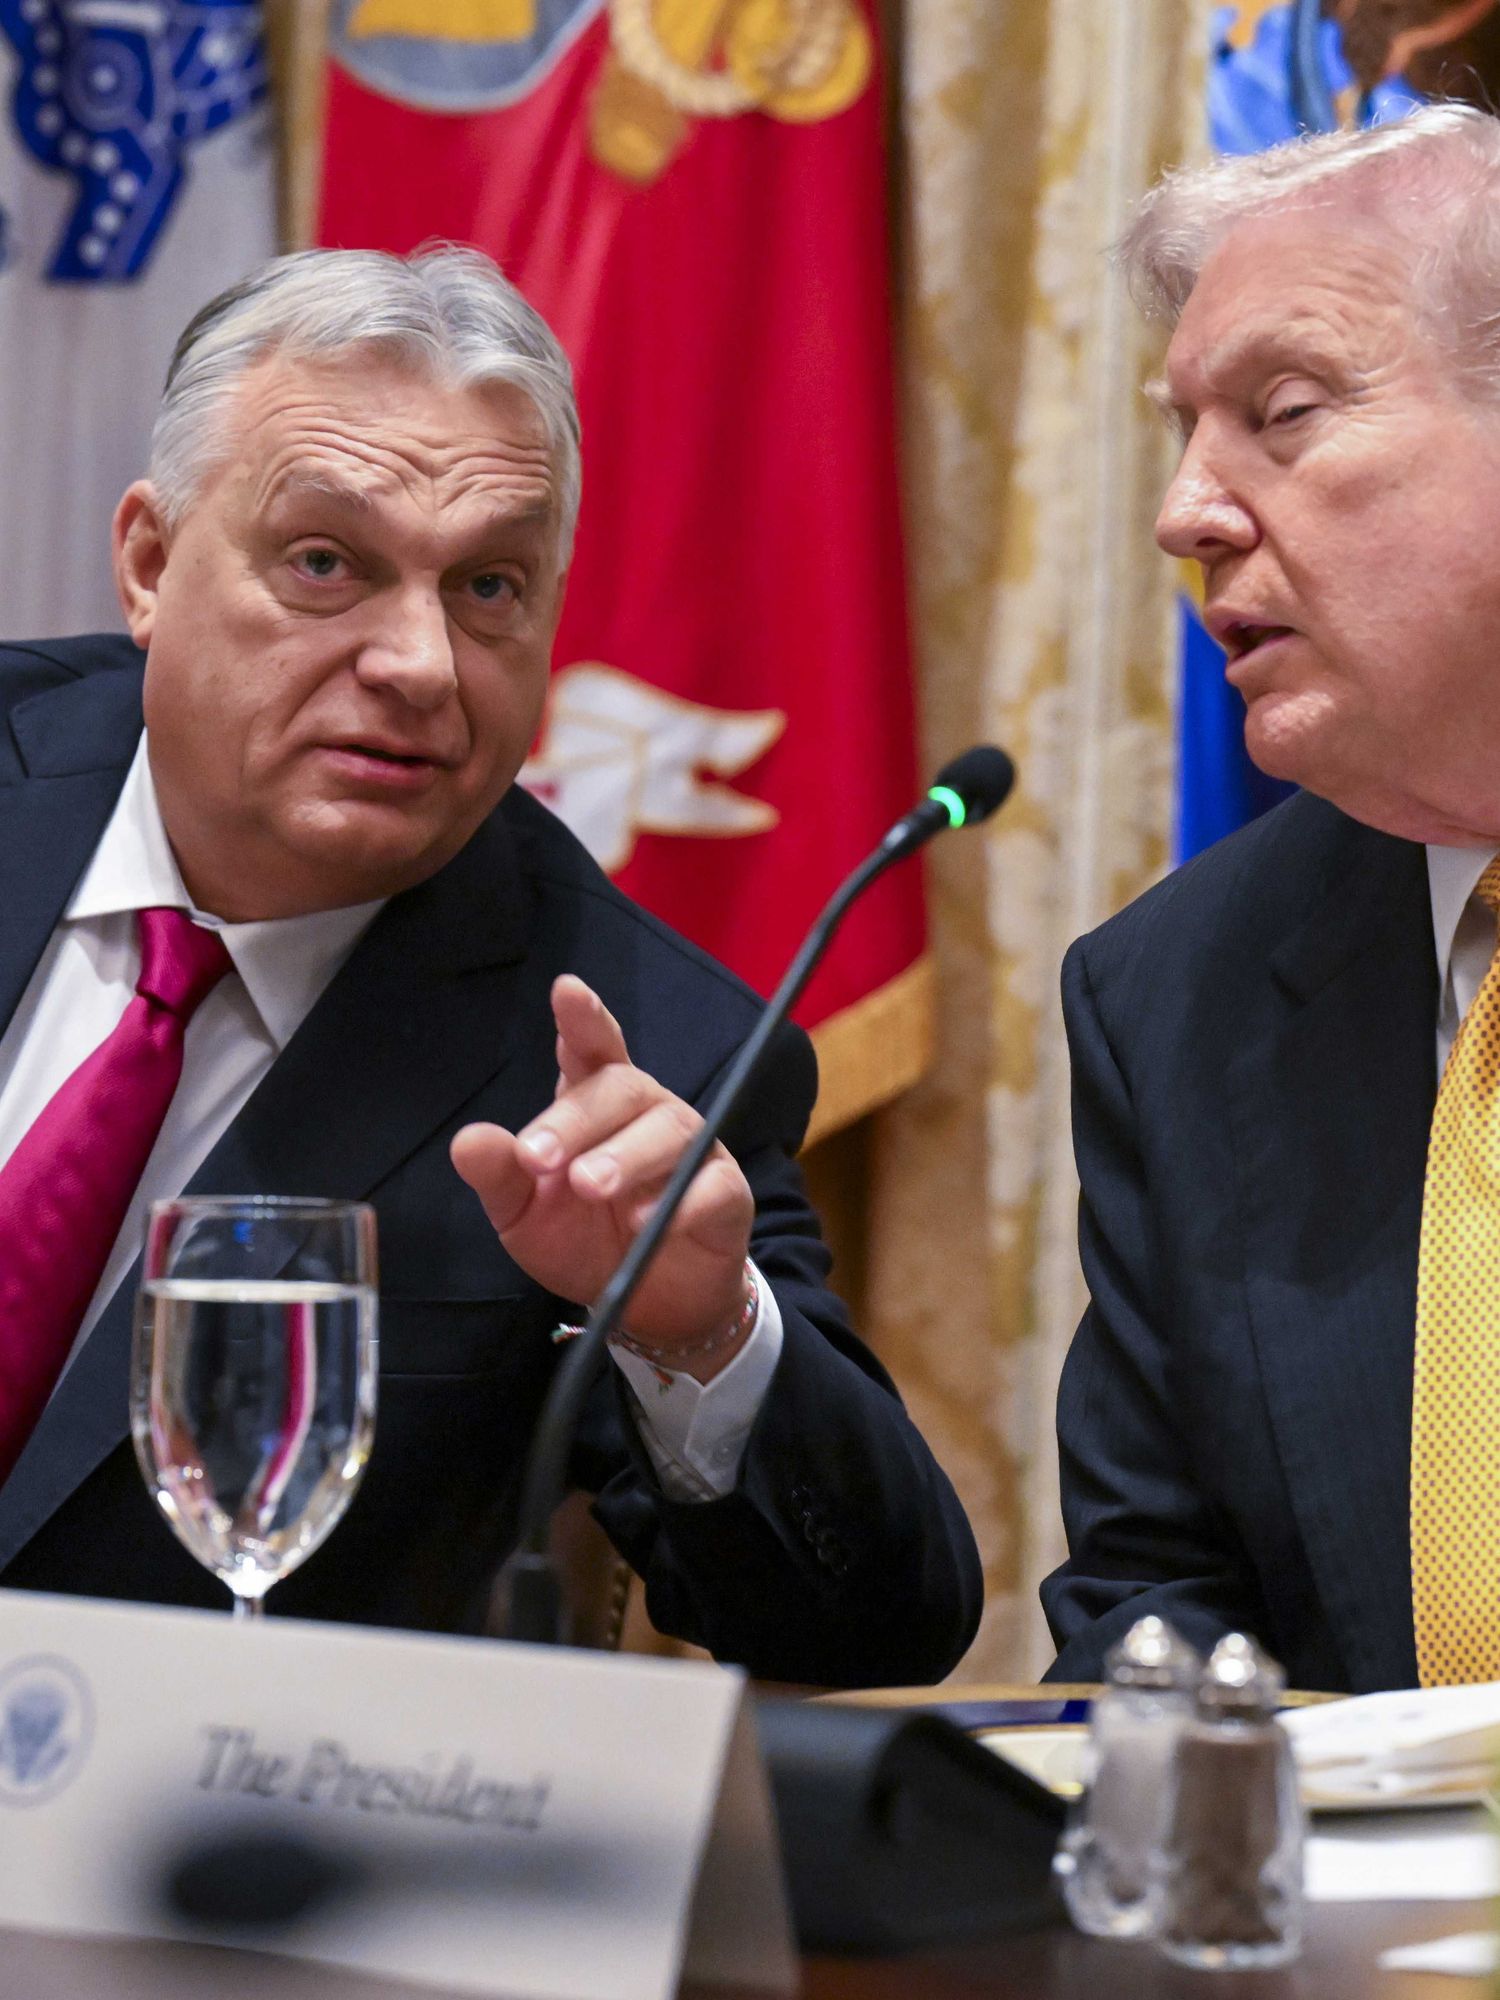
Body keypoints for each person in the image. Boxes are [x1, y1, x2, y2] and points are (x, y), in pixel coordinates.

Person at [0, 246, 981, 1688]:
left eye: (489, 588)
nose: (420, 664)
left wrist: (696, 1334)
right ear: (151, 564)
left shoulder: (629, 1050)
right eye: (327, 562)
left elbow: (881, 1619)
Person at [1043, 102, 1500, 1694]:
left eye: (1284, 411)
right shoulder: (1180, 992)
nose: (1186, 509)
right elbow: (1148, 1607)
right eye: (1183, 428)